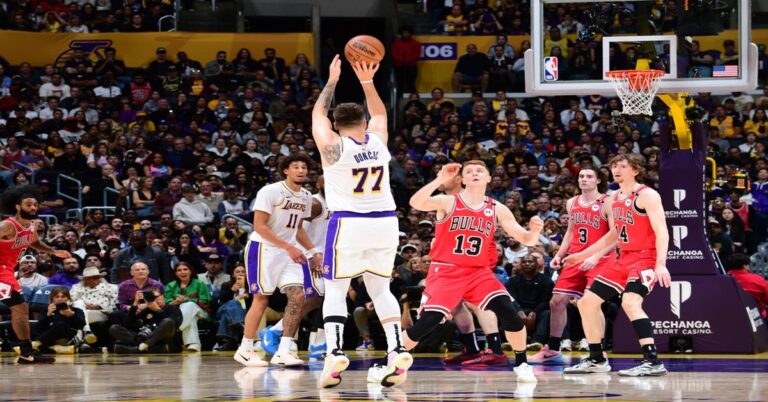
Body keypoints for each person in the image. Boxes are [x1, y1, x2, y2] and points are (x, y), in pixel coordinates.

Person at [311, 56, 411, 389]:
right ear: (364, 122)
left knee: (336, 288)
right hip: (385, 222)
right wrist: (367, 81)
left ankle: (335, 352)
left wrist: (332, 80)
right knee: (381, 289)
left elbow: (317, 115)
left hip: (348, 223)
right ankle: (396, 349)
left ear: (336, 124)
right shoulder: (378, 140)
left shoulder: (332, 145)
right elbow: (381, 114)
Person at [401, 161, 543, 383]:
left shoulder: (497, 208)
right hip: (447, 271)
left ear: (488, 178)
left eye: (479, 171)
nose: (474, 173)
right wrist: (439, 180)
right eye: (469, 171)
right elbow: (415, 202)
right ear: (463, 179)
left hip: (477, 272)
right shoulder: (449, 201)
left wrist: (534, 231)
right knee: (430, 321)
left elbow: (527, 239)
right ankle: (391, 358)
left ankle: (522, 363)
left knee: (508, 311)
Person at [564, 154, 672, 377]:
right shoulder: (614, 197)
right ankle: (596, 359)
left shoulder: (647, 195)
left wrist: (661, 264)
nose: (617, 169)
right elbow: (613, 234)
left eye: (623, 166)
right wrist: (582, 254)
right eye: (614, 166)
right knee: (586, 303)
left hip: (645, 258)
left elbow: (662, 231)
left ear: (636, 170)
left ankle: (652, 361)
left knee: (630, 302)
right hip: (622, 258)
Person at [234, 154, 322, 368]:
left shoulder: (306, 196)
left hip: (288, 252)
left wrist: (313, 252)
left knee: (298, 296)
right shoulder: (270, 191)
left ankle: (283, 350)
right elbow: (259, 226)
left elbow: (297, 228)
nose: (300, 170)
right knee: (261, 299)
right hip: (264, 249)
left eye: (304, 167)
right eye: (296, 167)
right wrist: (288, 247)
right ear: (285, 170)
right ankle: (245, 349)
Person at [531, 168, 612, 363]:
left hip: (599, 259)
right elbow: (570, 232)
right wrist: (559, 255)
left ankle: (599, 349)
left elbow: (614, 235)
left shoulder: (607, 202)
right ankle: (553, 349)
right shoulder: (572, 202)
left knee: (592, 303)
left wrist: (596, 256)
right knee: (556, 302)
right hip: (575, 257)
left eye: (589, 176)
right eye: (581, 176)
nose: (584, 179)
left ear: (598, 180)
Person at [438, 166, 507, 367]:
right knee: (455, 302)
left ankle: (495, 350)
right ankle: (471, 349)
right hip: (457, 257)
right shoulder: (448, 200)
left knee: (478, 301)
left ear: (458, 179)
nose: (441, 179)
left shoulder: (470, 197)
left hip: (476, 255)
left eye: (446, 176)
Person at [0, 185, 71, 364]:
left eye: (35, 205)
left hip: (7, 271)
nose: (33, 208)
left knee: (20, 308)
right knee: (20, 307)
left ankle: (26, 352)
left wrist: (53, 251)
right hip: (1, 272)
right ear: (18, 206)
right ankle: (26, 352)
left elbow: (35, 243)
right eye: (28, 204)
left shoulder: (31, 226)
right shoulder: (8, 225)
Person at [109, 286, 182, 353]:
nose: (155, 300)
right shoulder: (146, 310)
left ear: (162, 296)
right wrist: (135, 304)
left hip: (162, 339)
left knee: (168, 321)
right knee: (114, 328)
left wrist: (158, 310)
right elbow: (128, 325)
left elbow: (173, 324)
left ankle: (137, 348)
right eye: (152, 298)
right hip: (144, 338)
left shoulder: (172, 308)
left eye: (156, 297)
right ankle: (146, 348)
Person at [164, 261, 211, 352]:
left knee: (189, 305)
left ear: (190, 271)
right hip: (180, 313)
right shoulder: (170, 285)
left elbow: (204, 301)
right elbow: (167, 302)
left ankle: (176, 328)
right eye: (179, 270)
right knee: (191, 318)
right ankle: (194, 344)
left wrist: (186, 300)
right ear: (176, 273)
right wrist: (175, 302)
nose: (183, 272)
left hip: (201, 312)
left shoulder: (199, 284)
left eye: (185, 269)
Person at [70, 266, 118, 346]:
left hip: (100, 312)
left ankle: (80, 338)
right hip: (80, 310)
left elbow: (114, 305)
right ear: (84, 279)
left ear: (99, 278)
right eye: (88, 278)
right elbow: (70, 301)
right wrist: (84, 304)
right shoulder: (76, 288)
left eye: (94, 277)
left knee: (84, 315)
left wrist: (98, 306)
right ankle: (87, 332)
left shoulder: (110, 288)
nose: (91, 280)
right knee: (79, 304)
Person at [725, 253, 768, 318]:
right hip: (757, 316)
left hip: (731, 315)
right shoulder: (758, 279)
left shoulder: (723, 281)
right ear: (745, 266)